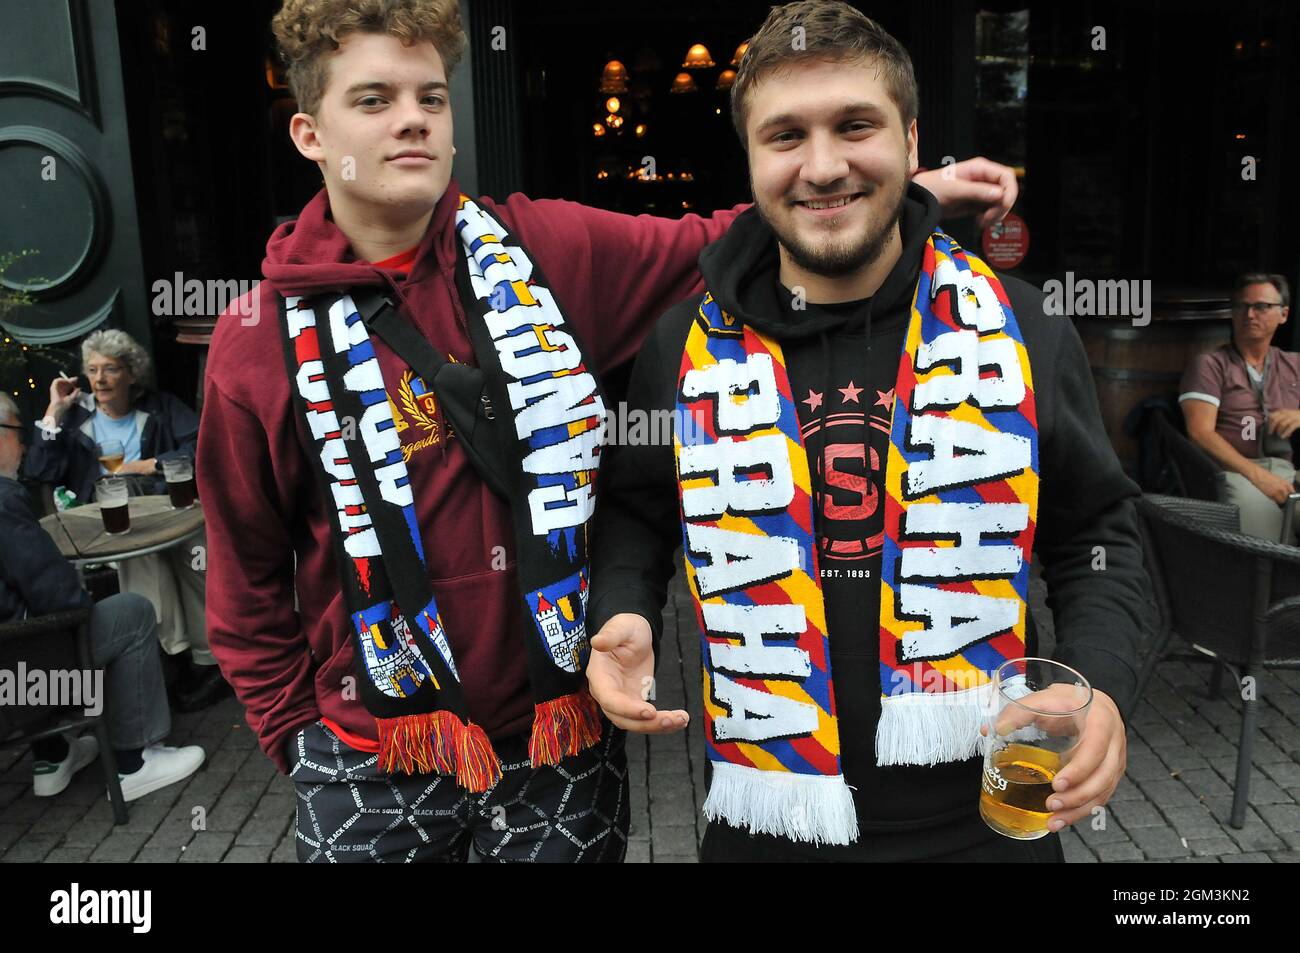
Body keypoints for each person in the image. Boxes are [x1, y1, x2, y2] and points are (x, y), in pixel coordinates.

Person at [198, 0, 1021, 864]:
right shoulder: (255, 338)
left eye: (431, 98)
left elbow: (724, 241)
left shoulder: (540, 248)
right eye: (373, 100)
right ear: (308, 133)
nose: (412, 119)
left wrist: (900, 188)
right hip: (371, 757)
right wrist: (298, 740)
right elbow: (246, 577)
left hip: (560, 745)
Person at [584, 0, 1150, 862]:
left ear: (914, 145)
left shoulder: (1020, 325)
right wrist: (625, 609)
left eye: (855, 126)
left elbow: (1102, 534)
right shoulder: (681, 345)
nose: (822, 166)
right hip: (764, 825)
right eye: (785, 136)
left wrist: (1100, 685)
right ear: (750, 157)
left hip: (995, 822)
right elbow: (635, 513)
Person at [0, 392, 205, 801]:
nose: (23, 445)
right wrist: (82, 598)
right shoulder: (3, 500)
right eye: (18, 433)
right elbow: (58, 598)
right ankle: (134, 763)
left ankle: (53, 755)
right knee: (129, 611)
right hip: (24, 679)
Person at [21, 328, 226, 711]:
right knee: (144, 557)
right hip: (106, 522)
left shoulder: (162, 407)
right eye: (93, 370)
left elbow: (202, 445)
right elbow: (37, 472)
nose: (99, 379)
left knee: (196, 549)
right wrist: (53, 411)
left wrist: (151, 464)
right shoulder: (73, 420)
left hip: (164, 509)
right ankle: (171, 657)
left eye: (111, 369)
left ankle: (205, 660)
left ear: (131, 375)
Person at [1180, 274, 1298, 542]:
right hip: (1235, 472)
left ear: (1283, 314)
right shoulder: (1210, 364)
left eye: (1261, 307)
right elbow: (1200, 433)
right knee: (1265, 546)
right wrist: (1258, 476)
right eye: (1241, 307)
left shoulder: (1293, 364)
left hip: (1286, 473)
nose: (1250, 315)